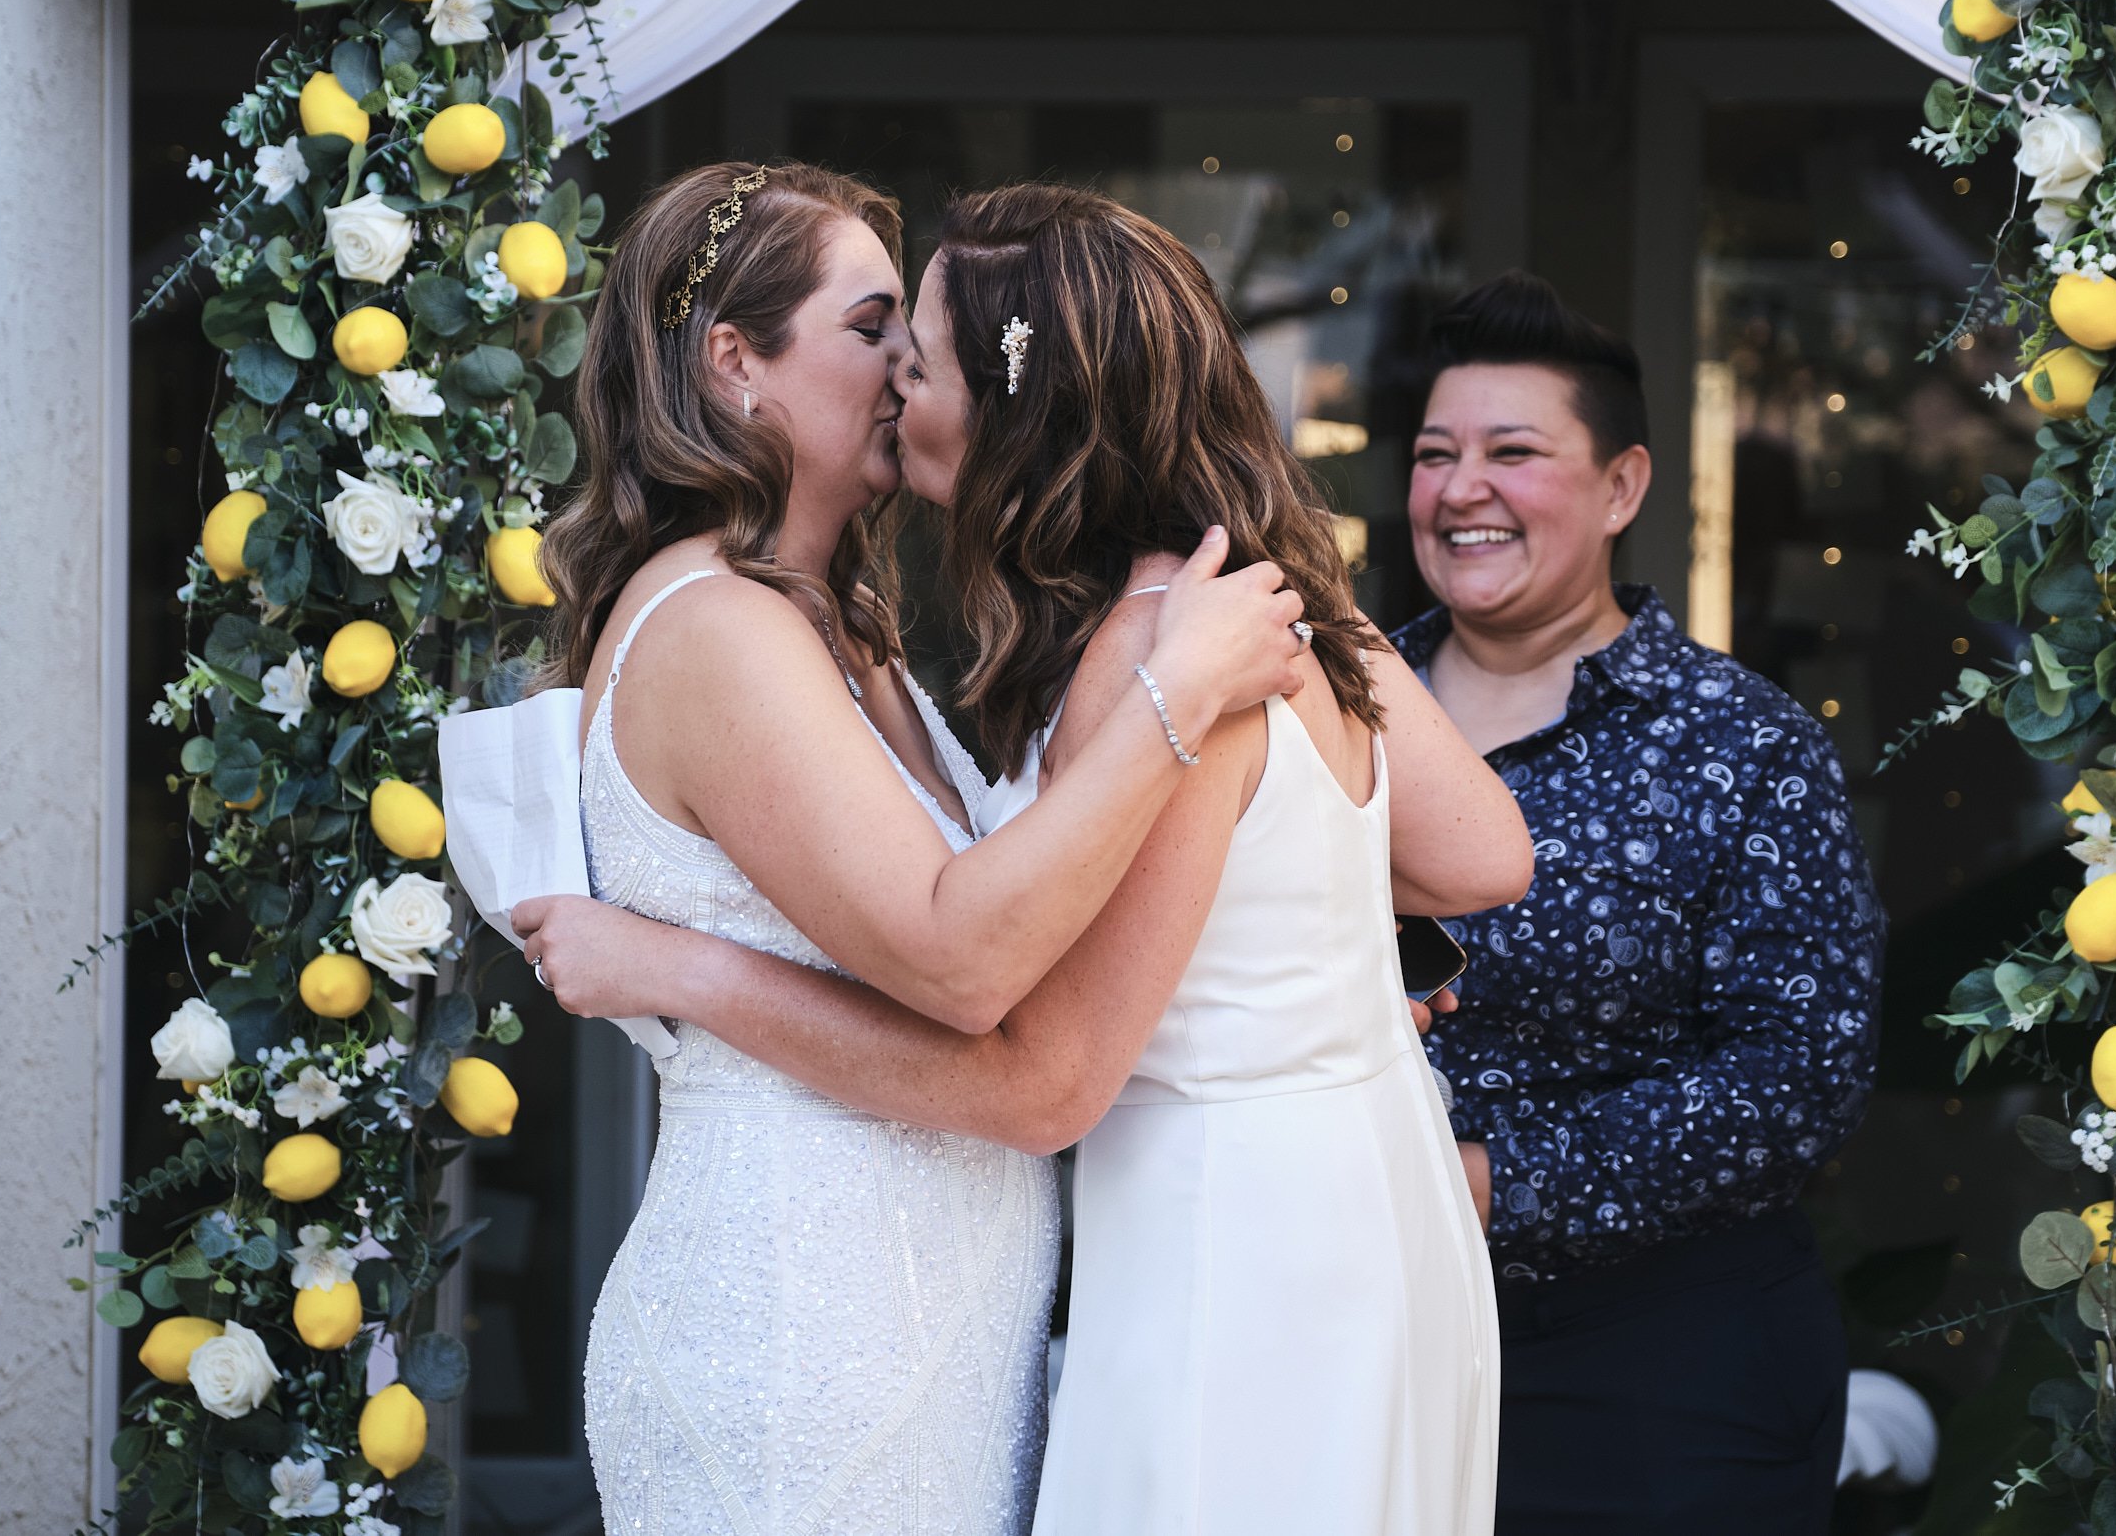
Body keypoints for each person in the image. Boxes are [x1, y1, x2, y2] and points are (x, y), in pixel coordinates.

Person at [522, 183, 1532, 1535]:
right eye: (873, 326)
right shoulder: (733, 622)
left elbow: (1459, 853)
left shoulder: (918, 623)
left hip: (1120, 1273)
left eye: (913, 343)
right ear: (732, 360)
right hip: (817, 1304)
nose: (895, 371)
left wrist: (1300, 964)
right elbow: (975, 961)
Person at [1396, 270, 1883, 1532]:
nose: (1462, 489)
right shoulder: (1325, 712)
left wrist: (1496, 1178)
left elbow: (1798, 1073)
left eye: (1513, 451)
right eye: (1435, 453)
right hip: (1376, 1330)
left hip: (1666, 1362)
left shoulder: (1744, 741)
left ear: (1622, 485)